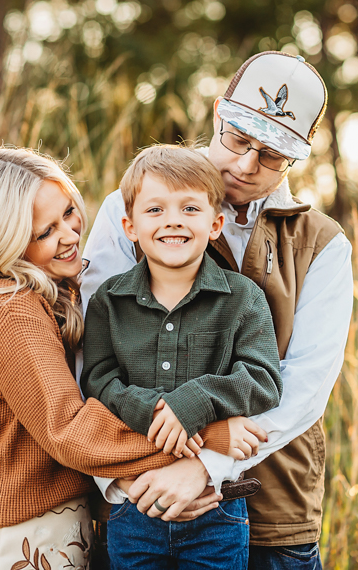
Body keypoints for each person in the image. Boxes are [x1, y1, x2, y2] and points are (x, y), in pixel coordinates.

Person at [81, 52, 354, 570]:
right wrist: (126, 475)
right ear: (216, 114)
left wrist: (206, 465)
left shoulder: (322, 242)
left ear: (297, 157)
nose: (248, 165)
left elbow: (306, 383)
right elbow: (92, 356)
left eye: (273, 154)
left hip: (274, 509)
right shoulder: (133, 207)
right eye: (239, 138)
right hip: (140, 499)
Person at [0, 147, 218, 570]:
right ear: (2, 241)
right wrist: (207, 440)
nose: (68, 235)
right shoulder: (7, 308)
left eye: (68, 212)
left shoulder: (32, 298)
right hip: (12, 542)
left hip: (40, 534)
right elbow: (67, 428)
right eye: (44, 232)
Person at [82, 145, 283, 568]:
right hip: (133, 504)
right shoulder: (108, 303)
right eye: (155, 210)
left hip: (217, 510)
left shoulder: (244, 299)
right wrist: (152, 410)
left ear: (215, 224)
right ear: (130, 227)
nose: (173, 219)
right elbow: (97, 380)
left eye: (189, 208)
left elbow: (263, 378)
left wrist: (195, 401)